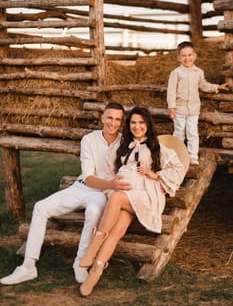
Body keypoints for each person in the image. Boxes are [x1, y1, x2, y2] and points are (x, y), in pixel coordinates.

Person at [0, 102, 126, 286]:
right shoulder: (89, 140)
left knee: (93, 213)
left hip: (102, 194)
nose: (112, 123)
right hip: (82, 186)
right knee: (40, 207)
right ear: (102, 117)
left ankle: (80, 263)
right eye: (109, 117)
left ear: (121, 122)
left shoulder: (124, 142)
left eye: (117, 119)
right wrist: (111, 183)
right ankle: (28, 267)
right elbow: (89, 178)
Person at [77, 106, 188, 296]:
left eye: (141, 123)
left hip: (145, 196)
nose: (137, 127)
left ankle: (94, 244)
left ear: (147, 125)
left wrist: (155, 175)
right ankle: (96, 270)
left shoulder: (157, 147)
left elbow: (178, 168)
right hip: (127, 197)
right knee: (115, 232)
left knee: (118, 197)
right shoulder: (125, 146)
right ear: (129, 125)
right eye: (133, 123)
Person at [167, 41, 229, 165]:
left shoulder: (198, 72)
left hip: (193, 109)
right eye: (184, 56)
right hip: (179, 108)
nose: (187, 58)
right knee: (179, 133)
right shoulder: (176, 73)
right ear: (178, 58)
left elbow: (204, 85)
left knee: (192, 133)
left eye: (190, 55)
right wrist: (172, 107)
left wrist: (217, 87)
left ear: (195, 56)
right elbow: (171, 91)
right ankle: (177, 156)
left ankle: (192, 157)